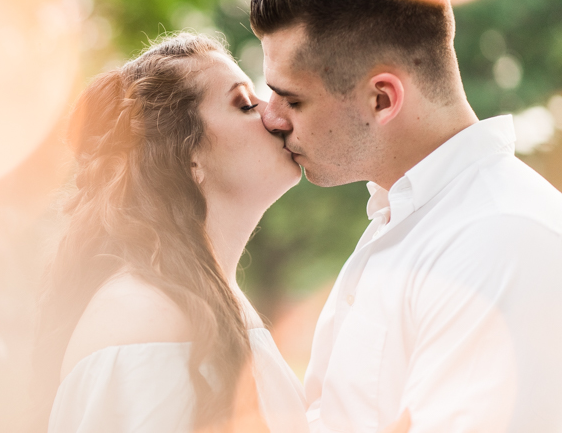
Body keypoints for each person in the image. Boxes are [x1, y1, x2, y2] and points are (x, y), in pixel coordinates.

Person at [250, 0, 562, 433]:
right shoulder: (402, 220)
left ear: (381, 99)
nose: (271, 118)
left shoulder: (500, 241)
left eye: (293, 99)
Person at [29, 33, 411, 433]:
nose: (276, 116)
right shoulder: (145, 319)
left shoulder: (205, 303)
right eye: (245, 103)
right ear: (187, 157)